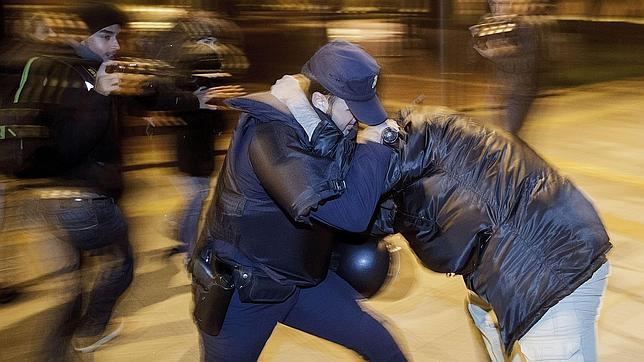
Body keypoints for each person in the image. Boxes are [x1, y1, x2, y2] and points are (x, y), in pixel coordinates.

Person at [191, 40, 407, 361]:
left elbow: (351, 182)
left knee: (381, 344)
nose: (359, 122)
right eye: (353, 111)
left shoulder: (324, 121)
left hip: (300, 280)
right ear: (320, 99)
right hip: (244, 291)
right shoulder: (269, 134)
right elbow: (348, 214)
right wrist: (374, 148)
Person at [367, 106, 611, 361]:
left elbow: (445, 255)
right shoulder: (435, 126)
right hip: (579, 234)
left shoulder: (410, 199)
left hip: (544, 284)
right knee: (478, 308)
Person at [7, 3, 133, 356]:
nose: (116, 46)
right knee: (122, 264)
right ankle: (90, 331)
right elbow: (70, 146)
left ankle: (55, 351)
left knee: (71, 287)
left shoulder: (62, 69)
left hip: (44, 200)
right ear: (81, 34)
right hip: (80, 199)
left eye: (117, 37)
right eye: (106, 36)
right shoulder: (78, 76)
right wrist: (100, 97)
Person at [472, 0, 553, 134]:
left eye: (505, 4)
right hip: (500, 92)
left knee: (510, 136)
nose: (500, 9)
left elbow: (527, 65)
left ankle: (519, 153)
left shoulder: (527, 27)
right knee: (500, 135)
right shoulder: (493, 24)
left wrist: (497, 53)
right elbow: (480, 49)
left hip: (521, 91)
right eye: (495, 5)